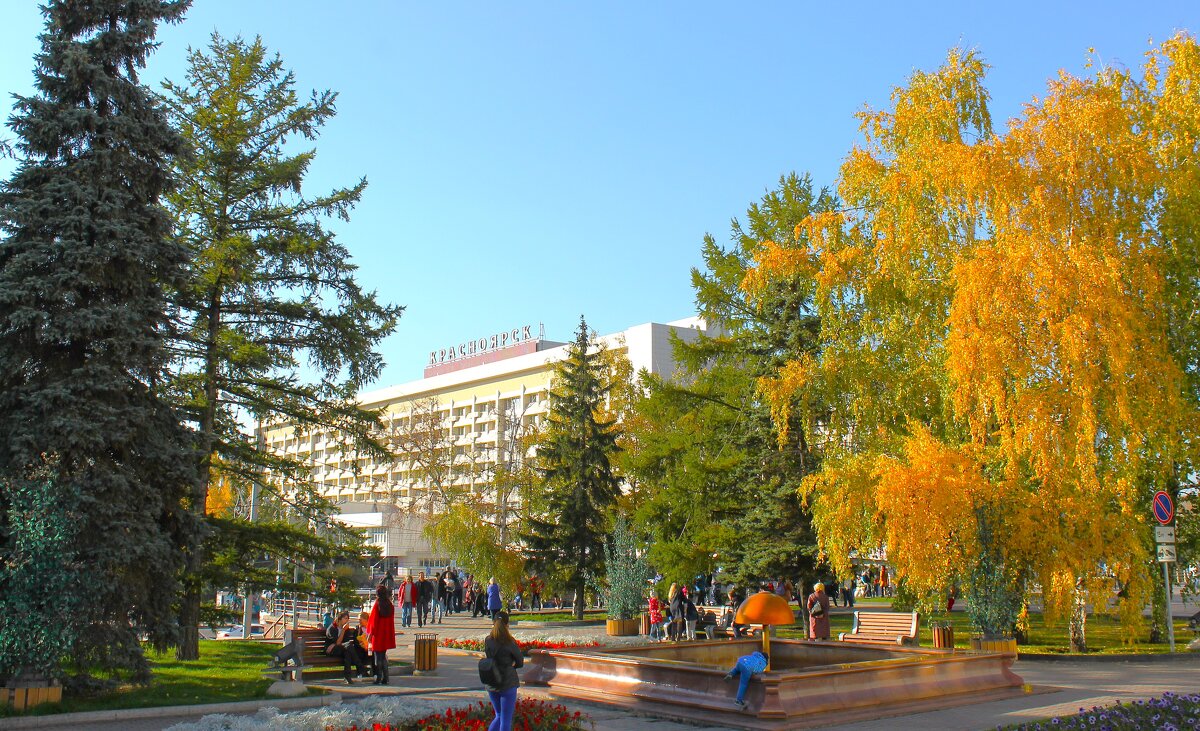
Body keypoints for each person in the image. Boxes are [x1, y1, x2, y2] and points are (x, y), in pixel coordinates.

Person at [483, 611, 524, 731]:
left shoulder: (488, 640)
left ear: (493, 623)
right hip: (508, 682)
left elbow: (489, 657)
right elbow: (520, 662)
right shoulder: (510, 641)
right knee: (505, 720)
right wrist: (511, 666)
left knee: (499, 715)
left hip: (492, 681)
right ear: (507, 624)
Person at [324, 610, 368, 684]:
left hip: (342, 649)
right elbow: (337, 643)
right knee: (348, 647)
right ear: (339, 619)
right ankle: (360, 668)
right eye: (345, 618)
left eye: (348, 618)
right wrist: (343, 630)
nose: (347, 620)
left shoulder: (346, 629)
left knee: (348, 653)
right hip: (332, 650)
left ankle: (347, 677)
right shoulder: (332, 628)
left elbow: (345, 642)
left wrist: (344, 631)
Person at [366, 584, 396, 685]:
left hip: (378, 633)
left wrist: (370, 633)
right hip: (386, 633)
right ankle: (386, 677)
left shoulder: (377, 604)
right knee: (383, 655)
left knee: (377, 657)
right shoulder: (390, 604)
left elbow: (373, 621)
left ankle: (379, 678)